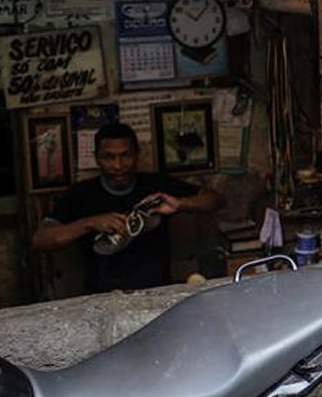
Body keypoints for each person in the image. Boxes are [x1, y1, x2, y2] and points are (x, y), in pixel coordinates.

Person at [32, 122, 226, 293]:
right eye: (109, 157)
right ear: (96, 158)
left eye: (126, 156)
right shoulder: (80, 194)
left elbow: (216, 200)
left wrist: (181, 204)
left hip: (156, 292)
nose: (118, 165)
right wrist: (90, 223)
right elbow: (41, 240)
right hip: (103, 298)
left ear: (137, 155)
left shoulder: (155, 185)